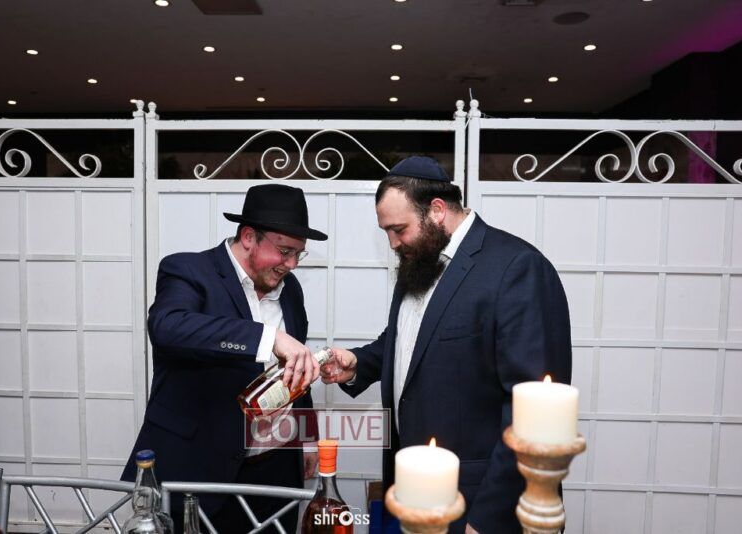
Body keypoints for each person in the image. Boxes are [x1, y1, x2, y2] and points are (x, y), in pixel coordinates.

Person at [321, 156, 572, 534]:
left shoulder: (517, 268)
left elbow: (533, 412)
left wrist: (486, 520)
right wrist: (359, 363)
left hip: (479, 502)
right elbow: (412, 340)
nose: (392, 243)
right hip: (416, 493)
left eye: (398, 229)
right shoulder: (420, 258)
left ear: (437, 210)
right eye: (386, 232)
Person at [122, 183, 327, 533]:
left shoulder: (290, 290)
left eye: (298, 254)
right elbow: (168, 326)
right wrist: (268, 337)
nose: (291, 264)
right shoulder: (188, 270)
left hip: (275, 472)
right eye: (284, 251)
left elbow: (293, 373)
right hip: (197, 470)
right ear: (248, 237)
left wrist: (307, 440)